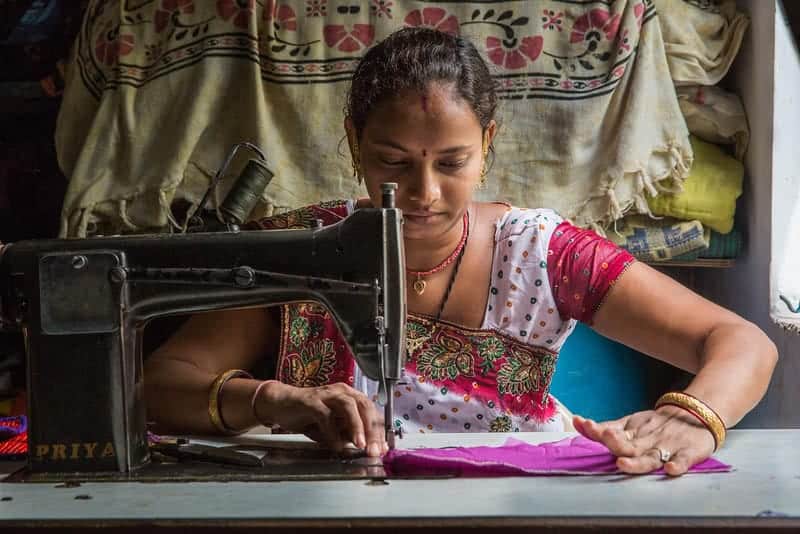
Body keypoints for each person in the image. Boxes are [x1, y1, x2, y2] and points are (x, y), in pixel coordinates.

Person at [144, 27, 777, 476]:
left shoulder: (542, 254)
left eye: (452, 162)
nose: (423, 193)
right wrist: (275, 401)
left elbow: (741, 341)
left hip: (519, 509)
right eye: (393, 161)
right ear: (354, 141)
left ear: (488, 142)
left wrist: (694, 417)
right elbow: (162, 386)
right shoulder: (298, 253)